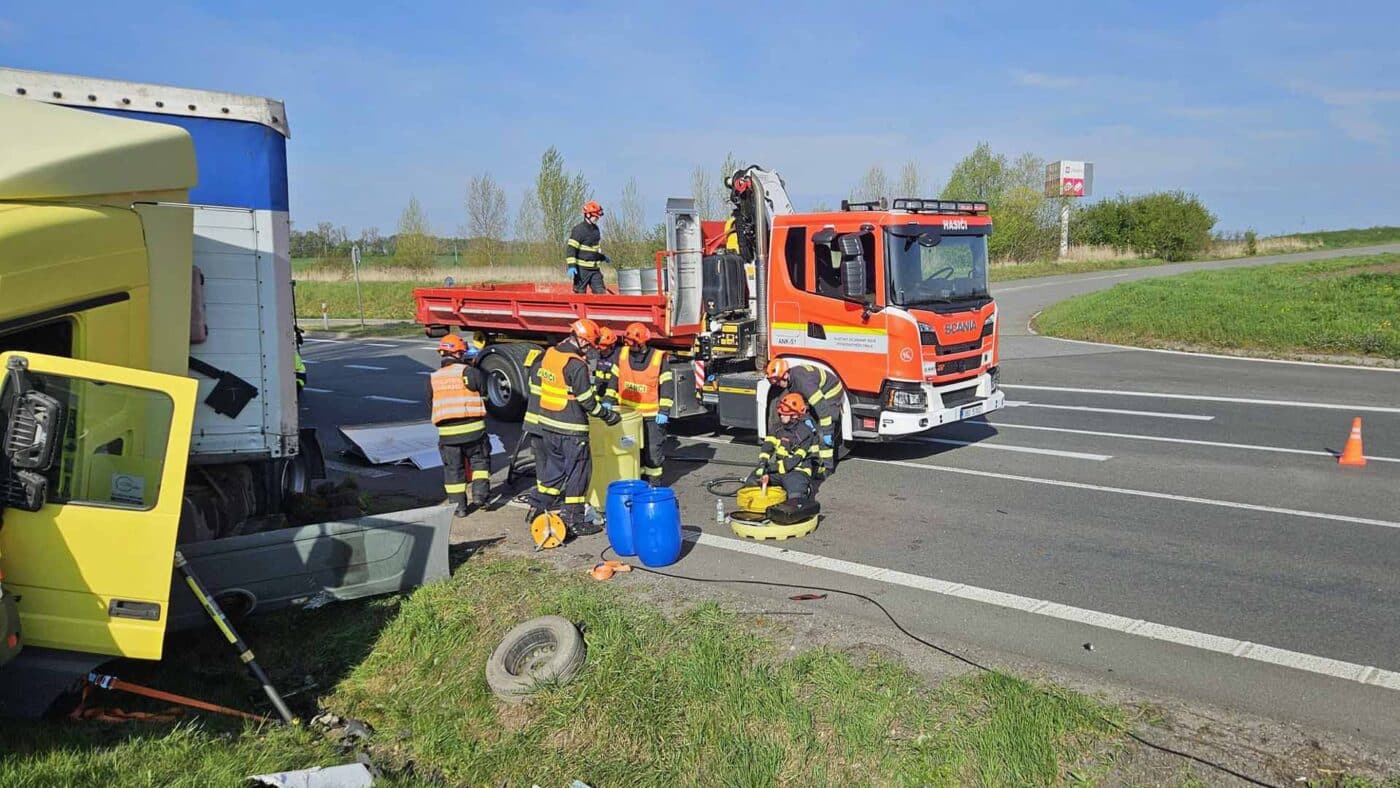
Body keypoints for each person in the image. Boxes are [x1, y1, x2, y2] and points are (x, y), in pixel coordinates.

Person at [526, 318, 621, 537]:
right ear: (581, 340)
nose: (590, 349)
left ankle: (537, 505)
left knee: (556, 470)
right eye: (589, 345)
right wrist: (608, 416)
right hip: (571, 428)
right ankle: (574, 519)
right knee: (579, 473)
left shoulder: (550, 354)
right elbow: (587, 402)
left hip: (548, 425)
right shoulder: (576, 364)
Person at [429, 334, 490, 517]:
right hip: (474, 431)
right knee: (479, 463)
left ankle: (459, 508)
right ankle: (480, 496)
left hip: (447, 435)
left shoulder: (433, 378)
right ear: (459, 353)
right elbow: (485, 393)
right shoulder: (469, 372)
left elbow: (430, 403)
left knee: (453, 471)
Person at [605, 322, 673, 485]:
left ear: (643, 342)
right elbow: (614, 381)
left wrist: (664, 411)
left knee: (652, 452)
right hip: (627, 415)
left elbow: (666, 386)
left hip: (651, 416)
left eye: (632, 342)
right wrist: (608, 400)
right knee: (630, 449)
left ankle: (653, 485)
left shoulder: (658, 358)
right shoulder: (621, 355)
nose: (629, 345)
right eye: (627, 341)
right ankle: (636, 481)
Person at [764, 358, 844, 478]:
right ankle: (815, 460)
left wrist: (827, 432)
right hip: (816, 392)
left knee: (824, 427)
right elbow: (803, 402)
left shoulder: (803, 383)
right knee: (811, 429)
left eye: (778, 381)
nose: (777, 385)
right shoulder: (792, 381)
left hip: (831, 391)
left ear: (785, 374)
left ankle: (828, 467)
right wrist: (806, 417)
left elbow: (822, 408)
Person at [746, 393, 818, 501]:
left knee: (795, 497)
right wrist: (763, 462)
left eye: (785, 414)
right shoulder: (777, 428)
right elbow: (768, 446)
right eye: (781, 413)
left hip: (797, 471)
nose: (781, 415)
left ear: (794, 415)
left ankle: (803, 490)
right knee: (752, 481)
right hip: (778, 470)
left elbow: (794, 460)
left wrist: (771, 468)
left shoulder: (805, 433)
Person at [566, 201, 609, 294]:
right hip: (581, 271)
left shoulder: (596, 230)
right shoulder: (579, 230)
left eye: (598, 216)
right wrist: (572, 266)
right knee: (580, 295)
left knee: (601, 294)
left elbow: (593, 250)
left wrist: (603, 257)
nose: (597, 218)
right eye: (595, 216)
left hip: (595, 270)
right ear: (588, 215)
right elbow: (571, 250)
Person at [593, 326, 619, 398]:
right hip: (601, 392)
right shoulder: (598, 355)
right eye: (598, 347)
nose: (600, 350)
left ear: (612, 345)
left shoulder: (619, 357)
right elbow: (597, 377)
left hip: (615, 395)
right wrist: (594, 392)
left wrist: (609, 398)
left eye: (603, 347)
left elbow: (616, 381)